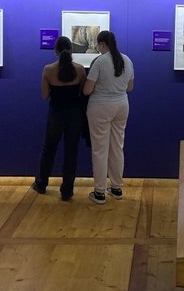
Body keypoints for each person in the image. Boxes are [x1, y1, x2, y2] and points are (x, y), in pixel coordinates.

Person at [32, 36, 86, 201]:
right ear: (71, 50)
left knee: (49, 149)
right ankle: (67, 190)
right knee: (71, 152)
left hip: (56, 114)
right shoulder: (80, 70)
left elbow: (44, 95)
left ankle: (41, 184)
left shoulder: (48, 70)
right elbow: (83, 93)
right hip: (75, 115)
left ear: (55, 51)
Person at [83, 30, 134, 204]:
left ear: (102, 44)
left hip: (100, 107)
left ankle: (99, 192)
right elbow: (130, 87)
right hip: (122, 105)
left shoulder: (100, 61)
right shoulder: (127, 60)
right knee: (117, 147)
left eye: (98, 44)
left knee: (100, 149)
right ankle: (117, 187)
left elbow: (87, 90)